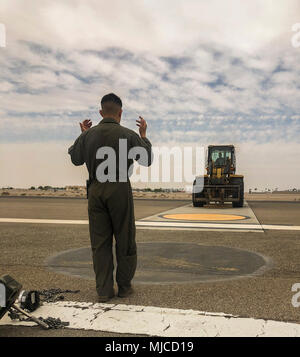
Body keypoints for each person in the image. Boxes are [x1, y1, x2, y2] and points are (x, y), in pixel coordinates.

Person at [68, 93, 153, 302]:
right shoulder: (128, 134)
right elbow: (147, 159)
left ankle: (104, 291)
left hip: (96, 190)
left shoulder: (88, 135)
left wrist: (83, 135)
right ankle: (124, 287)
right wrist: (143, 135)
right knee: (125, 239)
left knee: (100, 243)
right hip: (119, 188)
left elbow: (76, 159)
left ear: (100, 112)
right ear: (120, 113)